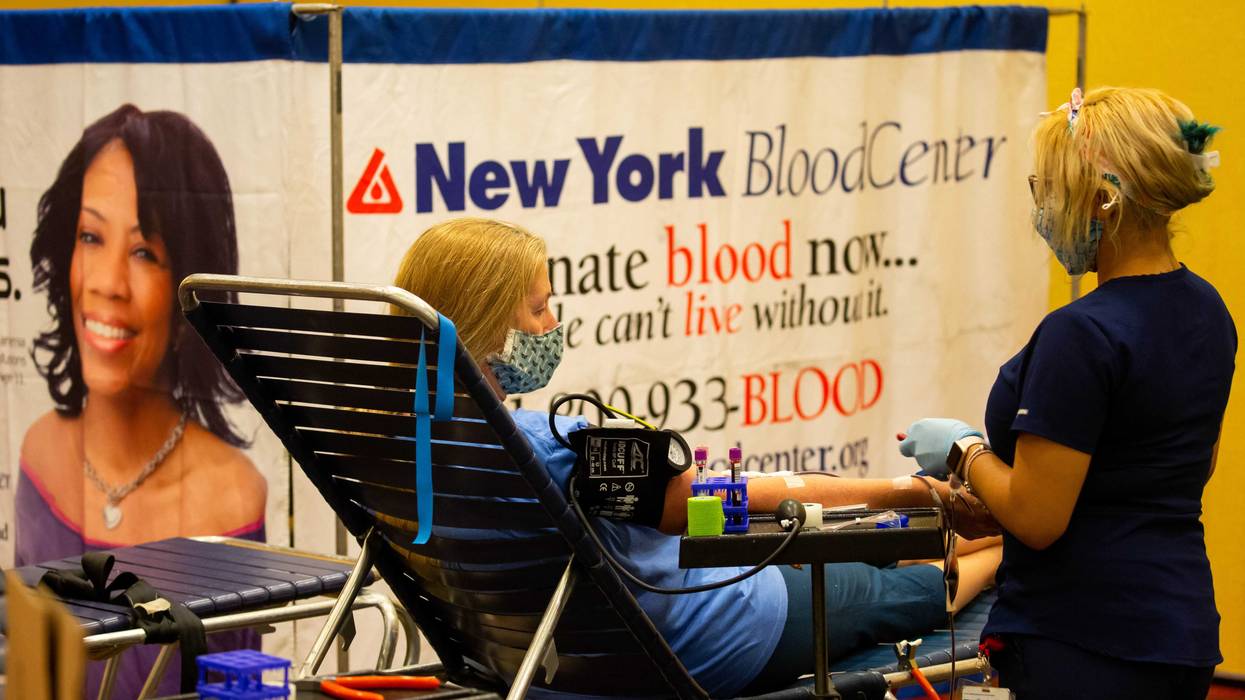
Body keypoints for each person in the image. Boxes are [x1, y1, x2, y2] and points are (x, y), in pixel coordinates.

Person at [393, 217, 1002, 697]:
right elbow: (711, 501)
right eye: (537, 308)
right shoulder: (558, 448)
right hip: (705, 642)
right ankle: (1011, 539)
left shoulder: (395, 450)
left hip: (539, 670)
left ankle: (998, 529)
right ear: (481, 321)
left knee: (875, 553)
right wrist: (911, 492)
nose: (552, 323)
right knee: (901, 584)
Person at [896, 87, 1231, 699]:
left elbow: (1038, 518)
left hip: (1083, 640)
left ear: (1102, 200)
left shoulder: (1081, 333)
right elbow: (1182, 467)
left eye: (1047, 188)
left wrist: (965, 450)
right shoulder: (1208, 309)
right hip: (1177, 630)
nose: (1041, 208)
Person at [16, 104, 267, 698]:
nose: (108, 282)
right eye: (91, 237)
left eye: (144, 252)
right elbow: (26, 674)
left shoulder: (230, 493)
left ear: (188, 290)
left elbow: (230, 688)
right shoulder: (38, 453)